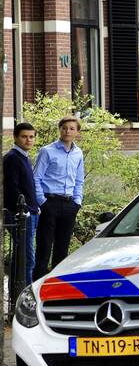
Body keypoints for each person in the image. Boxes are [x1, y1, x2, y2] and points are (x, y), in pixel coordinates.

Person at [33, 116, 85, 279]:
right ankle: (36, 289)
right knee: (44, 248)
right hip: (50, 203)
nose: (67, 131)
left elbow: (79, 180)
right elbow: (36, 178)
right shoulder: (47, 151)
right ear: (59, 129)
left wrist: (77, 202)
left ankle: (56, 287)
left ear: (77, 131)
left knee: (62, 250)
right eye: (64, 128)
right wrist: (43, 202)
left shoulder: (78, 153)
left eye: (71, 128)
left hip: (69, 205)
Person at [3, 123, 43, 285]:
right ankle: (23, 297)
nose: (28, 140)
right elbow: (11, 188)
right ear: (15, 137)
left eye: (31, 137)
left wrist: (36, 208)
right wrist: (26, 209)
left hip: (31, 213)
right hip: (20, 215)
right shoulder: (12, 158)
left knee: (24, 256)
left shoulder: (24, 157)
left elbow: (26, 187)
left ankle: (17, 295)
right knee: (26, 259)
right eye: (24, 136)